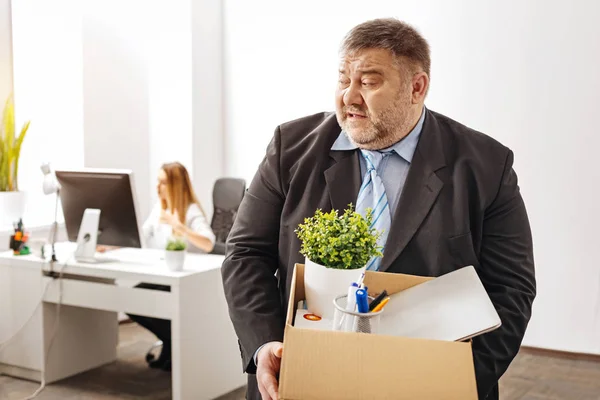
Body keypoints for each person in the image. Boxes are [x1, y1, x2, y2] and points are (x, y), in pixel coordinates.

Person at [221, 18, 536, 400]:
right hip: (304, 373)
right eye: (343, 79)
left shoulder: (486, 165)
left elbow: (510, 289)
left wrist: (455, 383)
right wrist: (264, 344)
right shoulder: (291, 147)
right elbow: (245, 253)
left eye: (368, 82)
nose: (349, 97)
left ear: (416, 87)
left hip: (428, 381)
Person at [129, 162, 215, 371]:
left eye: (163, 183)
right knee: (132, 300)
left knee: (140, 300)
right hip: (163, 274)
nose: (158, 187)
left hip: (187, 280)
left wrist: (179, 226)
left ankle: (174, 344)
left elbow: (208, 243)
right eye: (157, 182)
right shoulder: (160, 207)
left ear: (176, 185)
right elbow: (142, 235)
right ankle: (171, 342)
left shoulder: (191, 210)